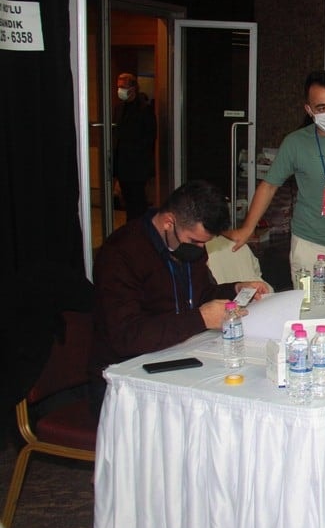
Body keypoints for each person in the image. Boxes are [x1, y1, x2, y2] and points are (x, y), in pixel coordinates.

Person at [90, 181, 269, 407]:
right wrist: (200, 319)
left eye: (205, 243)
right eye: (194, 241)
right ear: (168, 222)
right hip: (126, 378)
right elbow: (126, 336)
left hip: (178, 356)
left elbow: (201, 295)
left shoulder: (186, 249)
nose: (200, 249)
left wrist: (234, 290)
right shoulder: (121, 253)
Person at [226, 70, 325, 279]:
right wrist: (247, 228)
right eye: (321, 108)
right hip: (308, 247)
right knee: (308, 310)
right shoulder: (295, 142)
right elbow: (269, 185)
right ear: (309, 109)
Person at [113, 72, 156, 220]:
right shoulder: (119, 108)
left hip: (137, 165)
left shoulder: (144, 110)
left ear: (133, 88)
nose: (120, 90)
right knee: (127, 202)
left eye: (123, 87)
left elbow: (148, 139)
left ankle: (140, 230)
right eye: (118, 87)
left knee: (138, 203)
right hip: (123, 164)